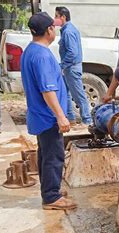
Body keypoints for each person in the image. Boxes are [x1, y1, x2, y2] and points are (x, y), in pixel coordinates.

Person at [21, 12, 76, 210]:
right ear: (49, 30)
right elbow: (47, 90)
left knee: (45, 154)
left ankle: (49, 191)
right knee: (54, 156)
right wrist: (61, 116)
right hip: (48, 116)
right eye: (54, 27)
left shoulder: (30, 51)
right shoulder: (42, 56)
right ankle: (52, 197)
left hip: (39, 115)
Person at [55, 6, 92, 126]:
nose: (55, 19)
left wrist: (62, 65)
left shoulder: (68, 31)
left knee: (78, 95)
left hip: (71, 67)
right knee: (65, 93)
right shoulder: (67, 30)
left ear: (63, 17)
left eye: (56, 16)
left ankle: (87, 120)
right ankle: (70, 117)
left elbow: (72, 52)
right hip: (69, 68)